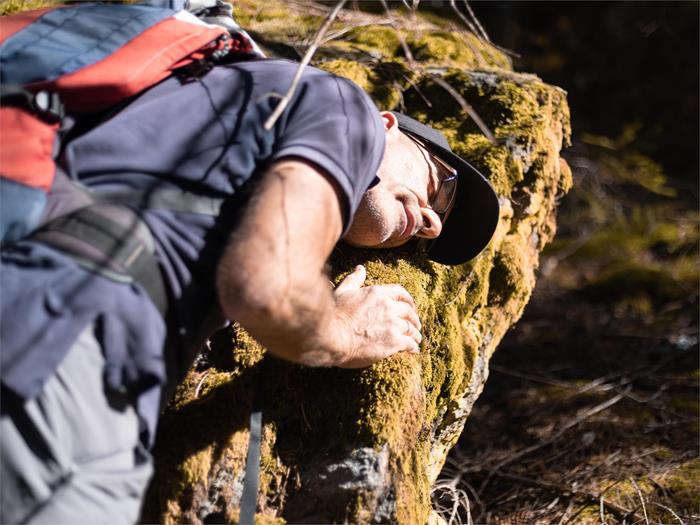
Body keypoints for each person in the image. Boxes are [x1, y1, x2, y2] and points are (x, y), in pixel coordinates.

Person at [0, 56, 499, 524]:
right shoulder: (341, 111)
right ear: (388, 125)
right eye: (442, 186)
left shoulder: (246, 163)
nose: (431, 222)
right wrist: (345, 328)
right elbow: (263, 289)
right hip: (50, 341)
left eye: (433, 226)